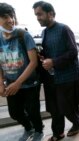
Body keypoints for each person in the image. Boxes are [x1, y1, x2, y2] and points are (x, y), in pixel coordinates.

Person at [33, 1, 79, 141]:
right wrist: (43, 56)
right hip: (51, 77)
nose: (37, 17)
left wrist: (54, 62)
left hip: (67, 76)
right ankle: (58, 134)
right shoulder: (44, 32)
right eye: (36, 15)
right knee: (54, 108)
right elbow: (49, 52)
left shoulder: (63, 29)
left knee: (66, 106)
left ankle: (77, 122)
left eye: (40, 14)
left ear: (51, 14)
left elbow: (74, 51)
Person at [0, 3, 44, 141]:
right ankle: (28, 128)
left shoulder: (23, 35)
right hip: (11, 83)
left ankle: (38, 130)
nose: (10, 20)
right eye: (4, 17)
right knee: (14, 113)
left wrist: (18, 83)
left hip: (30, 83)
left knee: (33, 111)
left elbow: (33, 62)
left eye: (11, 16)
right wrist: (1, 83)